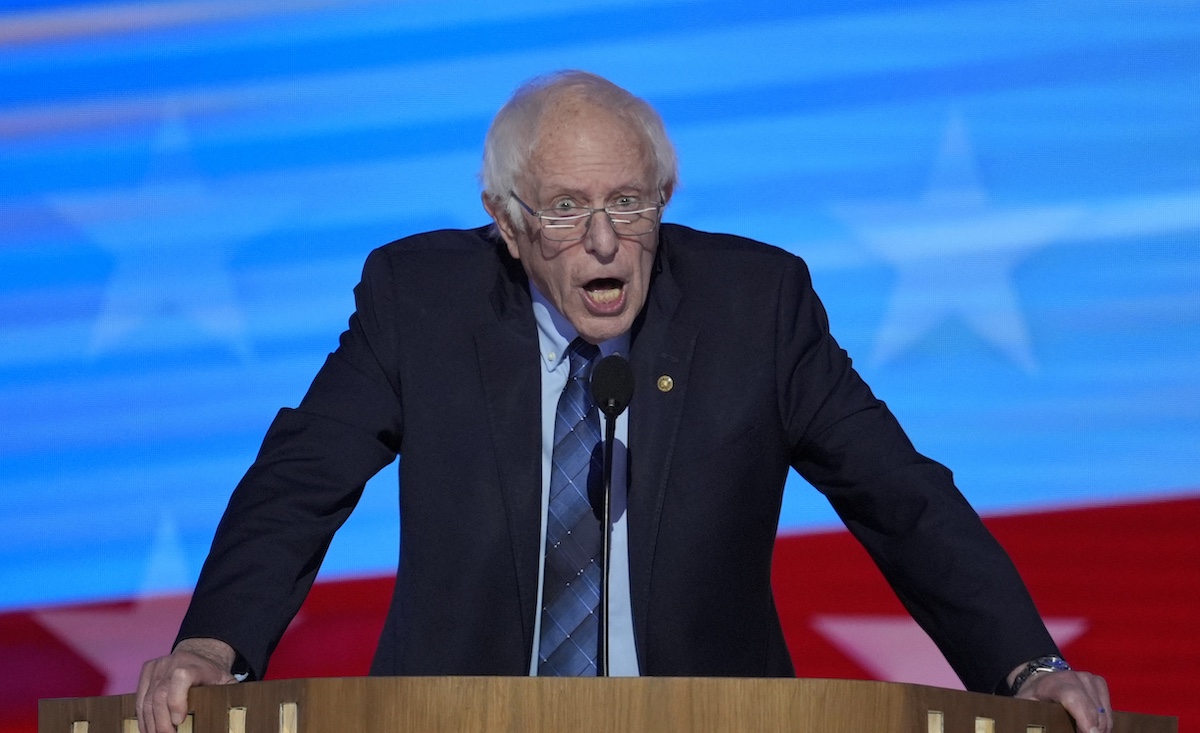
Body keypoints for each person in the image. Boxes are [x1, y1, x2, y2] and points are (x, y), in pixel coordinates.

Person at [137, 71, 1112, 733]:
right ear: (509, 226)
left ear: (663, 199)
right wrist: (213, 645)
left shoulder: (754, 308)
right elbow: (300, 479)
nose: (604, 242)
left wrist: (1027, 667)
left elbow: (900, 497)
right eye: (565, 209)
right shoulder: (419, 303)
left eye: (630, 203)